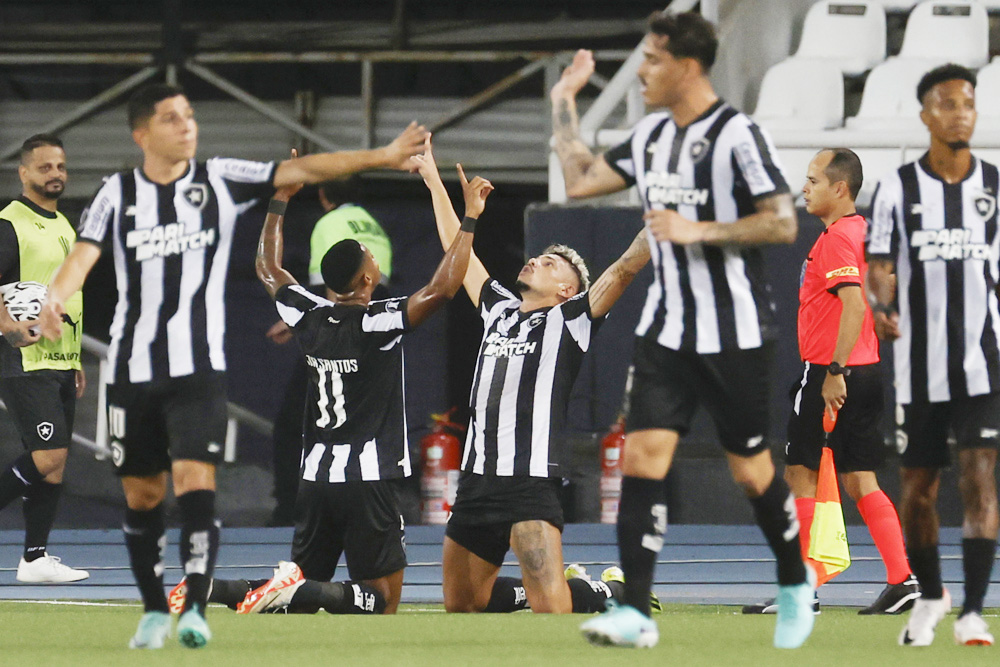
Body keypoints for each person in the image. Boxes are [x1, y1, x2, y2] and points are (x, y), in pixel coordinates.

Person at [37, 83, 427, 650]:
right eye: (172, 118)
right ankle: (156, 607)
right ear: (142, 134)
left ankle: (196, 604)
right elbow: (83, 255)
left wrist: (383, 155)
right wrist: (54, 296)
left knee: (197, 486)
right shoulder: (116, 194)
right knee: (143, 497)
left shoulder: (217, 177)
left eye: (190, 115)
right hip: (131, 366)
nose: (187, 126)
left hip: (197, 365)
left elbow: (303, 168)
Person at [550, 10, 813, 649]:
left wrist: (700, 230)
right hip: (667, 329)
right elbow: (580, 180)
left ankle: (793, 580)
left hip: (735, 332)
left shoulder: (737, 135)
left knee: (752, 471)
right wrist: (563, 100)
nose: (641, 71)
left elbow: (782, 222)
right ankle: (635, 612)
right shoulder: (649, 137)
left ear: (688, 67)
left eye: (653, 59)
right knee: (641, 458)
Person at [410, 137, 652, 616]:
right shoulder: (498, 308)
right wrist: (434, 181)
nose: (536, 260)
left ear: (566, 289)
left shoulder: (571, 319)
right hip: (477, 480)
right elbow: (458, 252)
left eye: (550, 264)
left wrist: (659, 223)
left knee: (551, 611)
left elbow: (623, 271)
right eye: (539, 256)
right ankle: (563, 589)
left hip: (528, 481)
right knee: (463, 606)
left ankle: (606, 592)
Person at [743, 148, 918, 617]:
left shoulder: (839, 237)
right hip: (868, 370)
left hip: (830, 371)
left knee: (799, 475)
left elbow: (855, 304)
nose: (804, 188)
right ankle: (902, 579)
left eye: (813, 180)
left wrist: (834, 372)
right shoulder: (865, 233)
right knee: (861, 479)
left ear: (840, 188)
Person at [867, 63, 999, 647]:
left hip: (982, 361)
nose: (960, 114)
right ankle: (930, 596)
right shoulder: (897, 187)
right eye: (948, 104)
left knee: (979, 477)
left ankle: (972, 611)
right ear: (925, 114)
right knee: (917, 489)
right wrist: (881, 304)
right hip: (918, 364)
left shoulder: (994, 186)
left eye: (967, 103)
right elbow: (878, 263)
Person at [268, 179, 393, 525]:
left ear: (323, 196)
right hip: (376, 332)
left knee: (295, 422)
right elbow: (377, 289)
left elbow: (328, 291)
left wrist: (300, 322)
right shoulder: (375, 227)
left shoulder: (328, 224)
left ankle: (289, 509)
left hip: (338, 331)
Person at [0, 134, 87, 584]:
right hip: (25, 361)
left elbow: (65, 297)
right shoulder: (9, 223)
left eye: (61, 166)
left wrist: (75, 358)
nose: (56, 174)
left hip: (60, 358)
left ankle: (35, 559)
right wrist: (8, 327)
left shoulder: (64, 225)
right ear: (24, 172)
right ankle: (33, 558)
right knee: (48, 456)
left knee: (56, 463)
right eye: (45, 167)